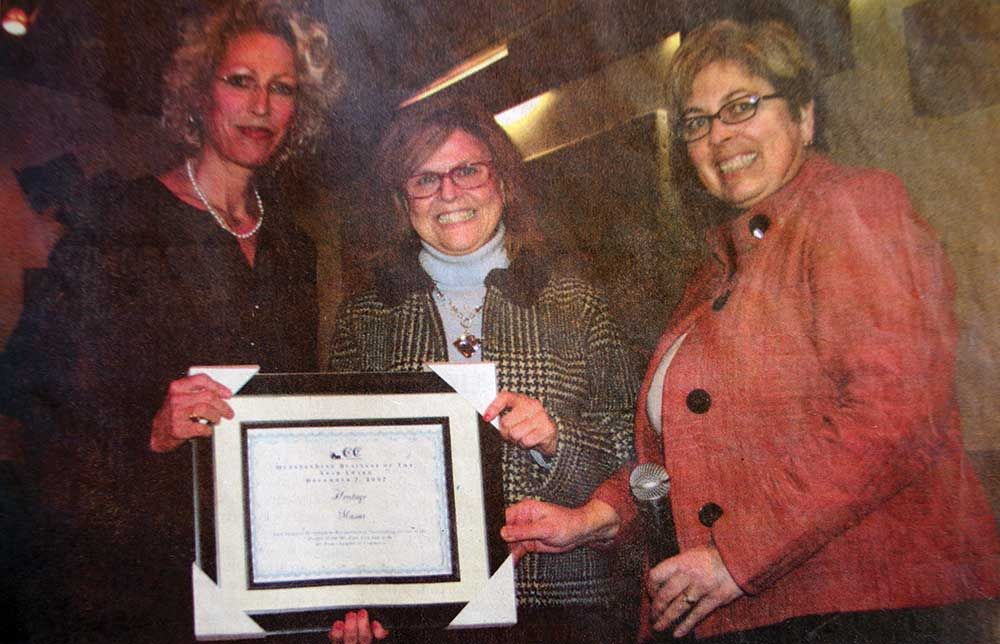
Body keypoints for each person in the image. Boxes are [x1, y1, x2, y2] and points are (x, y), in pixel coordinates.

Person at [500, 18, 1000, 644]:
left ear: (805, 118)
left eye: (741, 107)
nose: (720, 136)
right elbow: (684, 458)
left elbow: (893, 413)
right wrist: (595, 517)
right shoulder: (716, 271)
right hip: (769, 614)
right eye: (697, 121)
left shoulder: (854, 206)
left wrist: (736, 556)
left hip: (868, 611)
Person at [1, 1, 342, 641]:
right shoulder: (117, 221)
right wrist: (150, 430)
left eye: (283, 88)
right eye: (240, 81)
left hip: (262, 565)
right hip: (134, 575)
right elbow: (28, 391)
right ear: (197, 93)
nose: (261, 106)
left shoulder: (296, 247)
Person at [325, 97, 638, 644]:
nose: (449, 193)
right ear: (403, 200)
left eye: (467, 170)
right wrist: (357, 595)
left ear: (504, 182)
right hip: (423, 614)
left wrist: (556, 440)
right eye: (425, 179)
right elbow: (343, 475)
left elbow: (639, 462)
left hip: (565, 603)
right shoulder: (364, 319)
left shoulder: (576, 302)